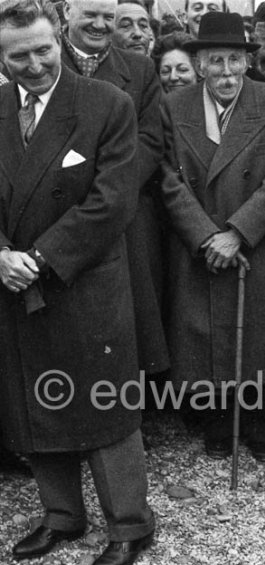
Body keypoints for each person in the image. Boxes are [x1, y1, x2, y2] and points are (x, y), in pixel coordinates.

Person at [0, 0, 155, 565]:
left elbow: (113, 199)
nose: (35, 64)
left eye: (43, 49)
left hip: (82, 280)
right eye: (19, 56)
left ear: (59, 39)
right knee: (35, 399)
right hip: (14, 282)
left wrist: (39, 258)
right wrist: (1, 256)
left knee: (103, 404)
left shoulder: (106, 104)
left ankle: (129, 524)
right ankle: (62, 515)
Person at [161, 12, 265, 462]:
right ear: (199, 64)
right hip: (199, 241)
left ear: (247, 62)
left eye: (233, 61)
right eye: (215, 61)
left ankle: (261, 424)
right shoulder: (173, 106)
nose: (226, 72)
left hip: (256, 241)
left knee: (260, 335)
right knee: (206, 333)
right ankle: (218, 421)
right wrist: (206, 236)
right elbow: (167, 178)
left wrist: (238, 232)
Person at [62, 0, 167, 378]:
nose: (100, 25)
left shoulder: (139, 69)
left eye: (108, 17)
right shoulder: (44, 61)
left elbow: (152, 139)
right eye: (90, 15)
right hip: (57, 208)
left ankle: (131, 397)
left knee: (127, 308)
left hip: (122, 208)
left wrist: (110, 190)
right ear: (66, 13)